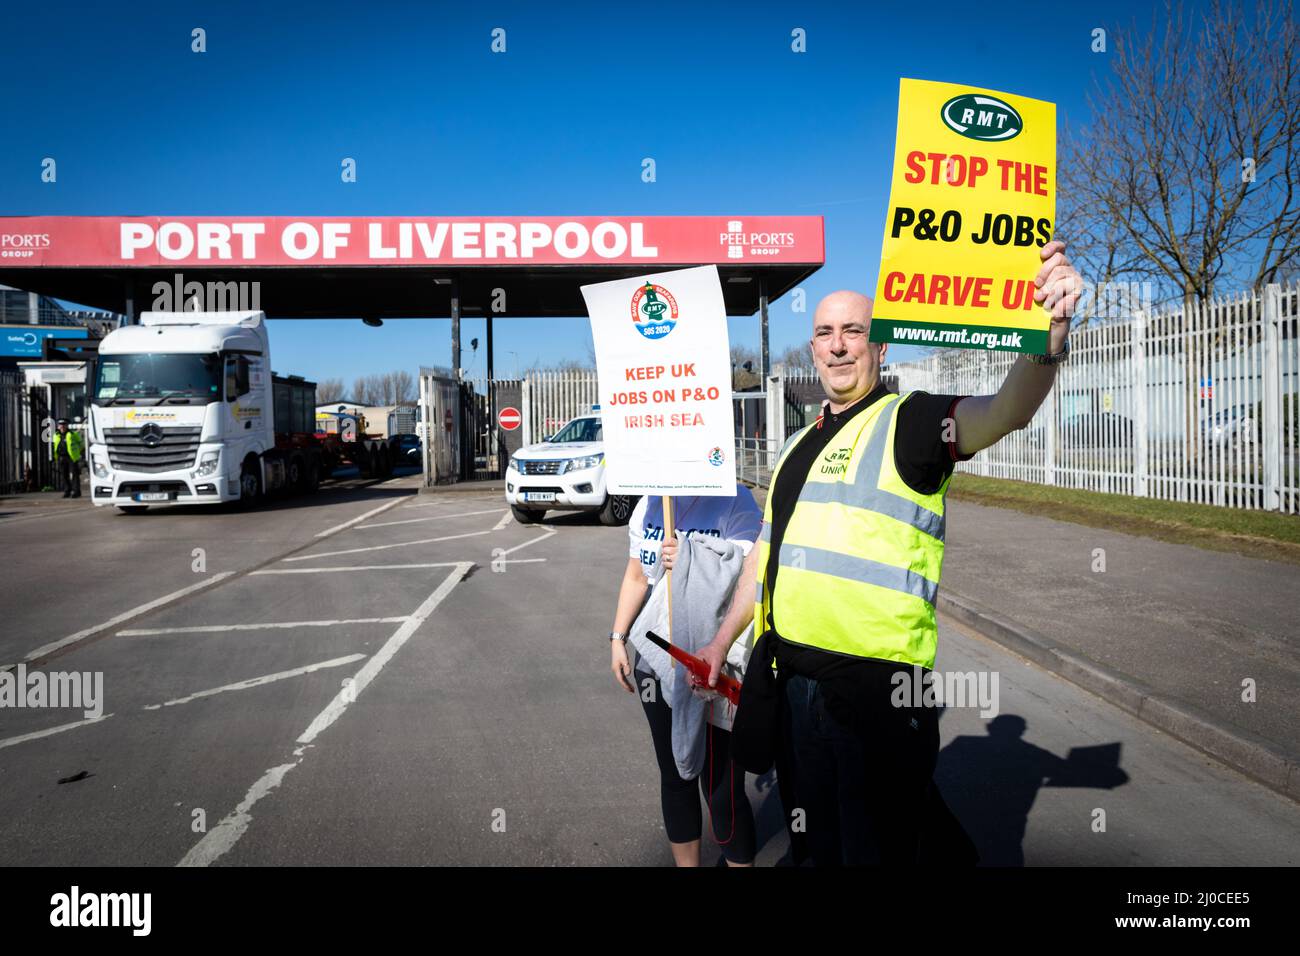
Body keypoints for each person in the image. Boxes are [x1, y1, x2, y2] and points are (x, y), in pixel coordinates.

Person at [700, 240, 1084, 865]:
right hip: (796, 688)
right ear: (813, 348)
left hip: (880, 697)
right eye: (825, 332)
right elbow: (764, 556)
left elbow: (1007, 411)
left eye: (855, 331)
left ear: (880, 346)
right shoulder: (798, 444)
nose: (839, 344)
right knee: (815, 852)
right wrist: (721, 641)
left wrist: (1051, 331)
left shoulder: (912, 421)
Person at [608, 487, 762, 866]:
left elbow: (749, 573)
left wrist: (693, 556)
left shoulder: (735, 500)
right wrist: (618, 637)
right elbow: (636, 577)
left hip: (714, 663)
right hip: (656, 660)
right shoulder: (647, 505)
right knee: (675, 774)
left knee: (721, 786)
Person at [52, 419, 84, 498]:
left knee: (74, 474)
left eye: (64, 424)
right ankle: (67, 490)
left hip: (72, 457)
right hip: (61, 457)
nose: (62, 426)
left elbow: (81, 444)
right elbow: (54, 446)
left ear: (66, 426)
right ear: (58, 426)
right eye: (60, 425)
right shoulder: (56, 435)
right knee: (64, 475)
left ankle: (76, 491)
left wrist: (78, 453)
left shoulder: (72, 434)